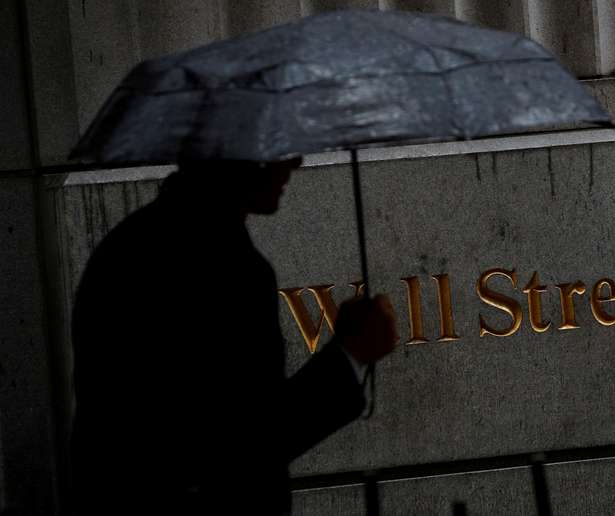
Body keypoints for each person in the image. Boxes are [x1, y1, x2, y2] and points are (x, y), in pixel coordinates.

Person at [70, 158, 398, 515]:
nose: (295, 161)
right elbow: (242, 442)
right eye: (276, 145)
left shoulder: (134, 243)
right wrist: (350, 354)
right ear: (237, 155)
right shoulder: (220, 266)